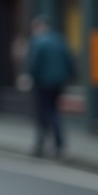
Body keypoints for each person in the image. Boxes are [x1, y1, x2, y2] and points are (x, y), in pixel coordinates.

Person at [27, 15, 74, 158]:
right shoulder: (59, 40)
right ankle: (56, 144)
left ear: (38, 27)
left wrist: (30, 77)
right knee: (54, 111)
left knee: (45, 113)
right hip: (58, 83)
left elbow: (34, 65)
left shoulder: (38, 42)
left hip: (43, 83)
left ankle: (43, 144)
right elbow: (69, 60)